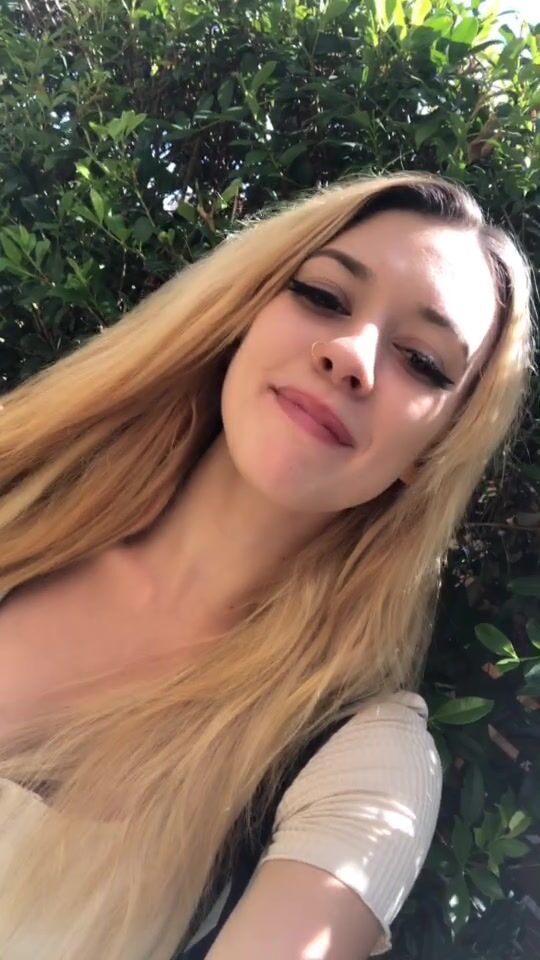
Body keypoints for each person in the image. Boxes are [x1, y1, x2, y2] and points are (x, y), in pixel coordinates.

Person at [0, 170, 534, 960]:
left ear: (433, 454)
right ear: (244, 316)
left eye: (422, 361)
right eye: (323, 296)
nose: (350, 355)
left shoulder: (358, 763)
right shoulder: (18, 510)